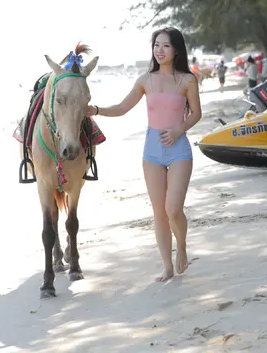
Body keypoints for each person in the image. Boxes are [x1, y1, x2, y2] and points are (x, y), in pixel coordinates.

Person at [86, 27, 202, 282]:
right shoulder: (145, 80)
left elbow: (196, 113)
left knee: (173, 209)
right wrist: (96, 110)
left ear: (176, 50)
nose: (160, 50)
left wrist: (179, 130)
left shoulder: (187, 80)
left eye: (166, 45)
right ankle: (167, 266)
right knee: (159, 212)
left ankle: (182, 246)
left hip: (179, 149)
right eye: (156, 45)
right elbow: (122, 108)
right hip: (152, 152)